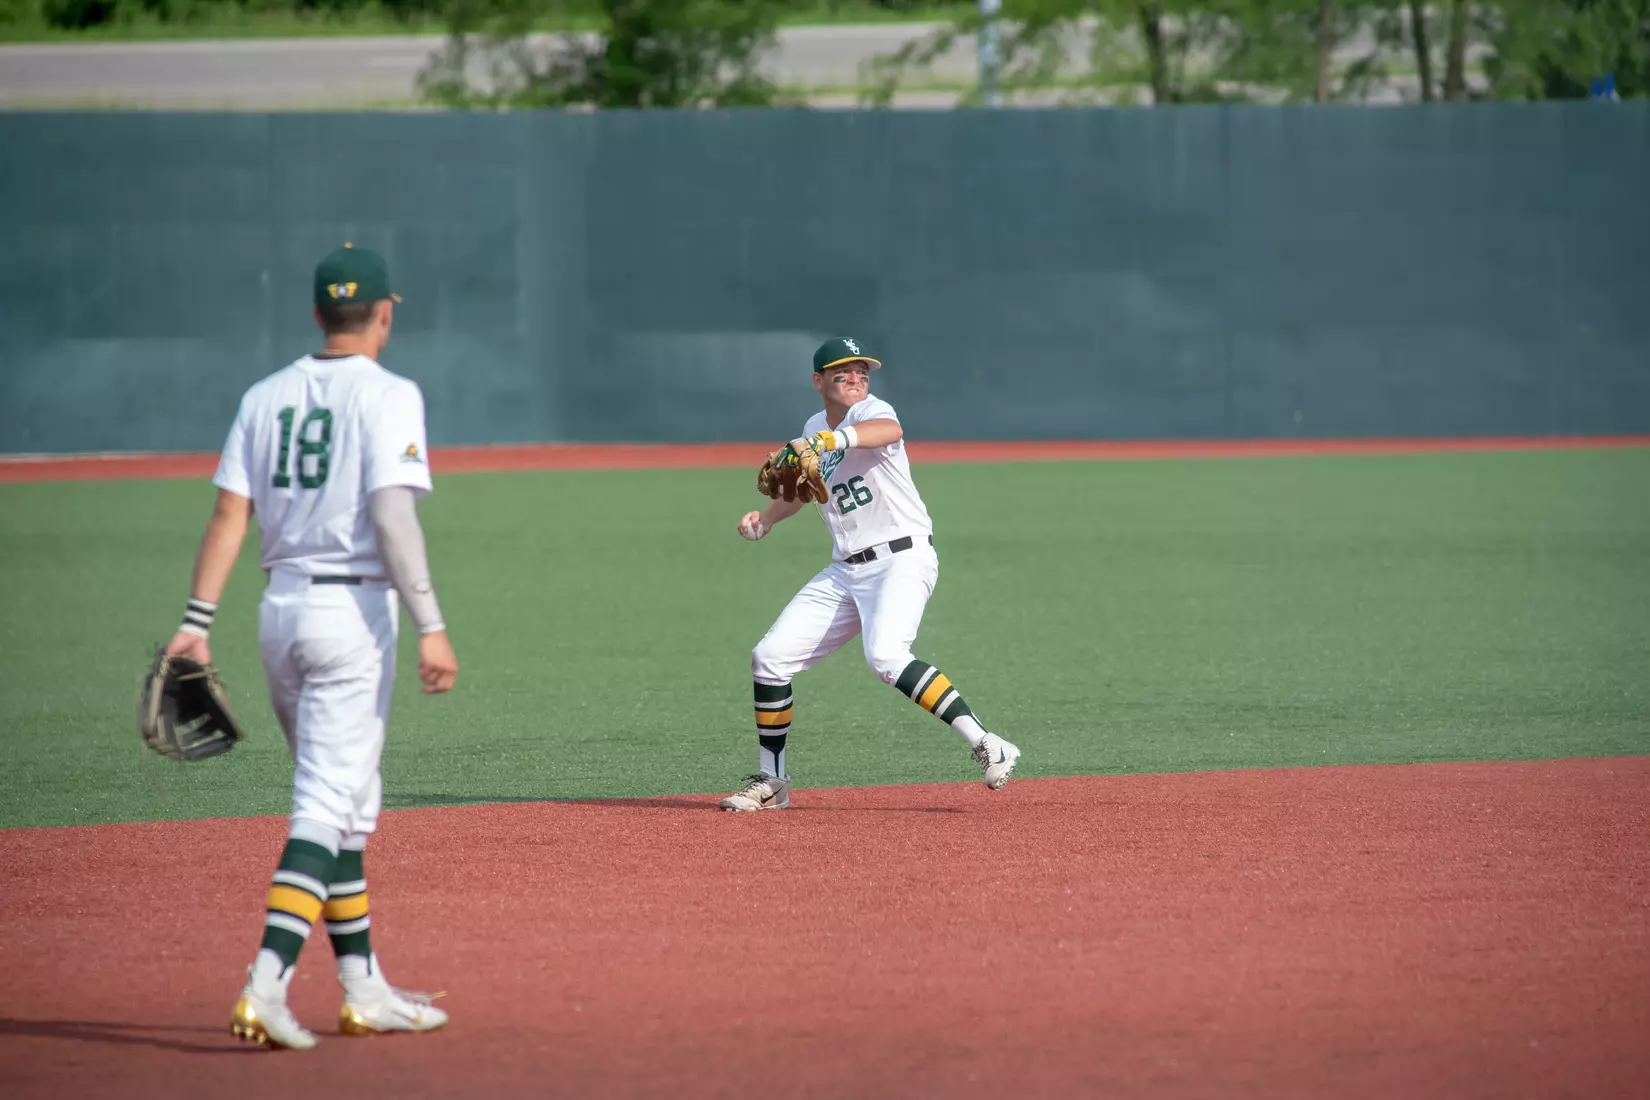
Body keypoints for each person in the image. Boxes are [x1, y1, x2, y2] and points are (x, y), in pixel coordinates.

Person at [162, 243, 458, 1049]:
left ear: (319, 314)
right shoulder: (390, 394)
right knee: (326, 807)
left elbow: (230, 514)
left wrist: (197, 621)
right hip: (350, 617)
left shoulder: (265, 395)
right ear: (384, 314)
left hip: (279, 613)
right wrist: (431, 623)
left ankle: (363, 990)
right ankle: (265, 986)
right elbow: (392, 515)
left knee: (345, 804)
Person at [722, 337, 1021, 812]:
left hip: (901, 558)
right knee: (769, 658)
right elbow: (801, 489)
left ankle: (989, 743)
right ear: (818, 381)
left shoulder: (871, 412)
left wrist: (831, 440)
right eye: (842, 373)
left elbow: (888, 430)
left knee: (886, 656)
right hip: (845, 570)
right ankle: (773, 782)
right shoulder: (814, 427)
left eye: (862, 371)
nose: (856, 379)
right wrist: (767, 518)